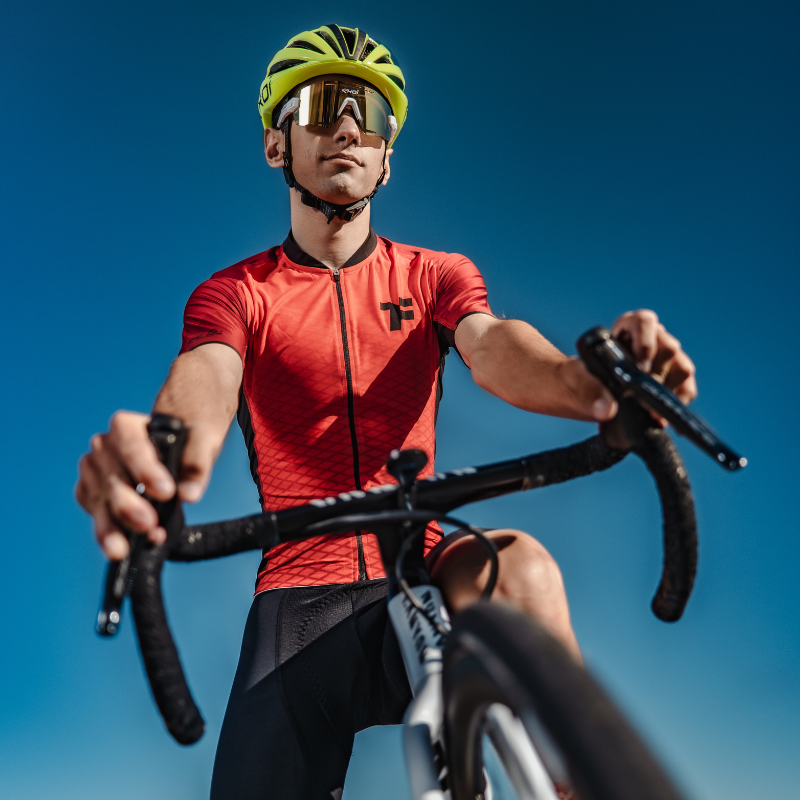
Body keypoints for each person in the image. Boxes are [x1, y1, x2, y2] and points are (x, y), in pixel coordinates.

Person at [76, 24, 697, 800]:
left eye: (367, 112)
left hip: (427, 562)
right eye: (321, 104)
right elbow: (206, 375)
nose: (345, 125)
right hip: (298, 600)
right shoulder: (236, 294)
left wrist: (595, 385)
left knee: (526, 567)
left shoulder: (434, 275)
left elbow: (497, 347)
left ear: (385, 157)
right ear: (277, 146)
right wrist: (163, 453)